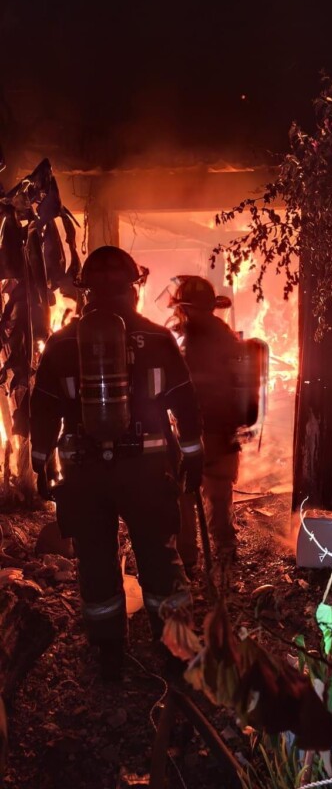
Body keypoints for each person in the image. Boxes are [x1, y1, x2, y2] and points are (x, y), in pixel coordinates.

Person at [30, 247, 203, 680]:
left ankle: (108, 653)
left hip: (84, 473)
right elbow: (185, 401)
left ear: (86, 291)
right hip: (145, 471)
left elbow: (43, 407)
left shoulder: (61, 343)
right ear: (133, 288)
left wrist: (39, 462)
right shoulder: (158, 338)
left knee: (95, 560)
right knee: (158, 558)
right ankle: (176, 650)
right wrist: (194, 458)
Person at [168, 276, 241, 572]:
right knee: (219, 494)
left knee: (186, 493)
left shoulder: (185, 339)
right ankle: (225, 549)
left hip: (193, 430)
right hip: (223, 431)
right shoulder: (227, 336)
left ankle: (188, 557)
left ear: (184, 308)